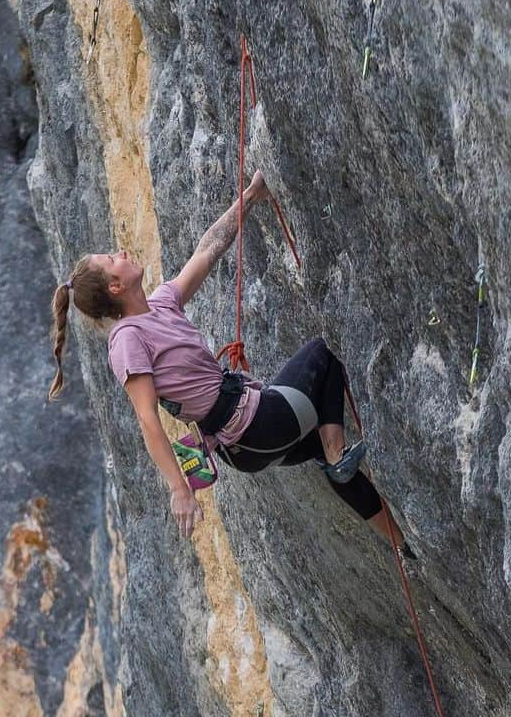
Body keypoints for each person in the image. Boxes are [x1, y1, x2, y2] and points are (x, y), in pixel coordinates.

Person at [48, 171, 412, 557]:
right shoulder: (127, 339)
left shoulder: (161, 304)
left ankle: (403, 546)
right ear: (115, 288)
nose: (121, 252)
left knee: (322, 447)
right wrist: (179, 490)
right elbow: (147, 418)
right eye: (112, 259)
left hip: (247, 440)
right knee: (325, 350)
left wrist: (251, 196)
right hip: (255, 424)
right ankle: (338, 453)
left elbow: (208, 250)